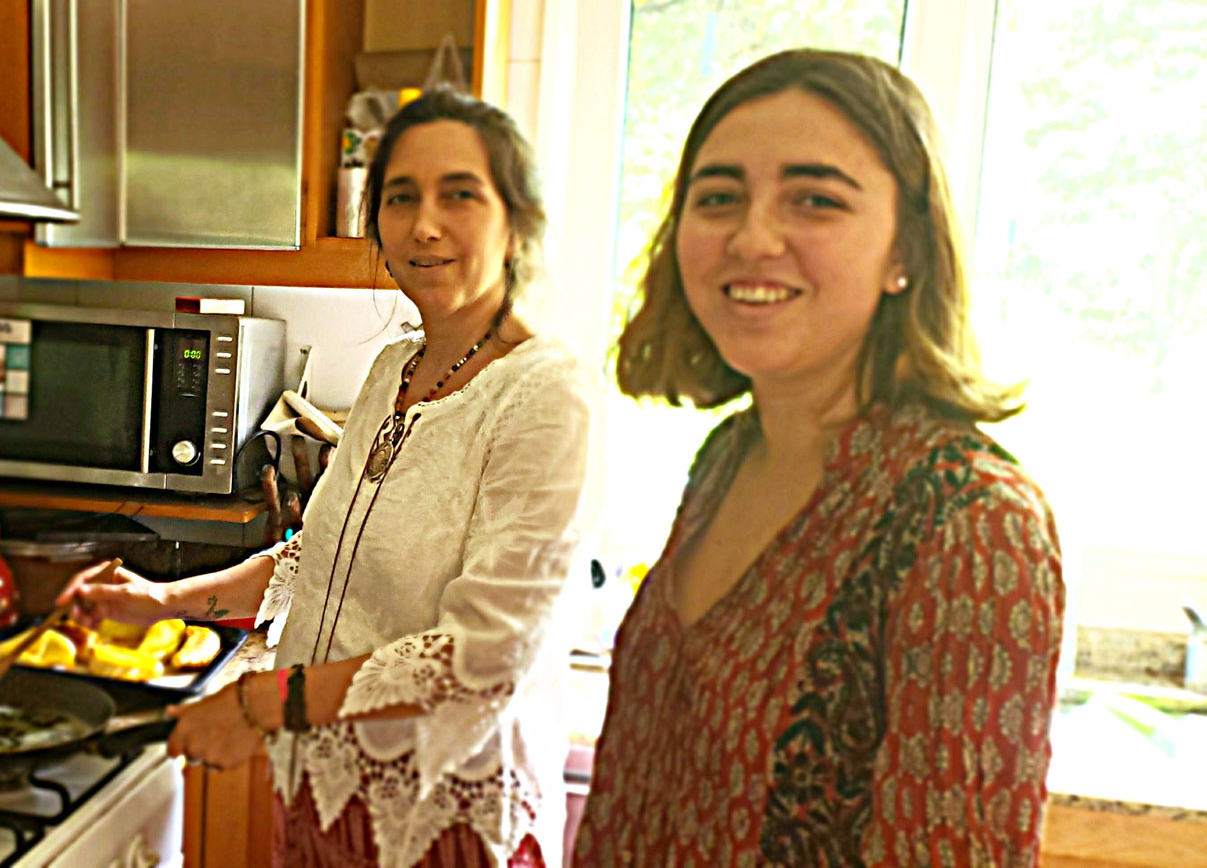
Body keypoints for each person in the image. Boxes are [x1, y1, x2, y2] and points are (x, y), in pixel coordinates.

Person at [61, 88, 605, 868]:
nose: (423, 225)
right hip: (321, 789)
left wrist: (259, 703)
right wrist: (162, 600)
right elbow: (312, 557)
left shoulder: (546, 393)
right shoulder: (393, 369)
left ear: (517, 221)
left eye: (458, 194)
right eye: (400, 196)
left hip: (441, 818)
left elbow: (486, 654)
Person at [573, 49, 1064, 866]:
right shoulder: (728, 457)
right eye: (718, 197)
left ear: (906, 250)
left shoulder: (971, 522)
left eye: (815, 200)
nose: (752, 237)